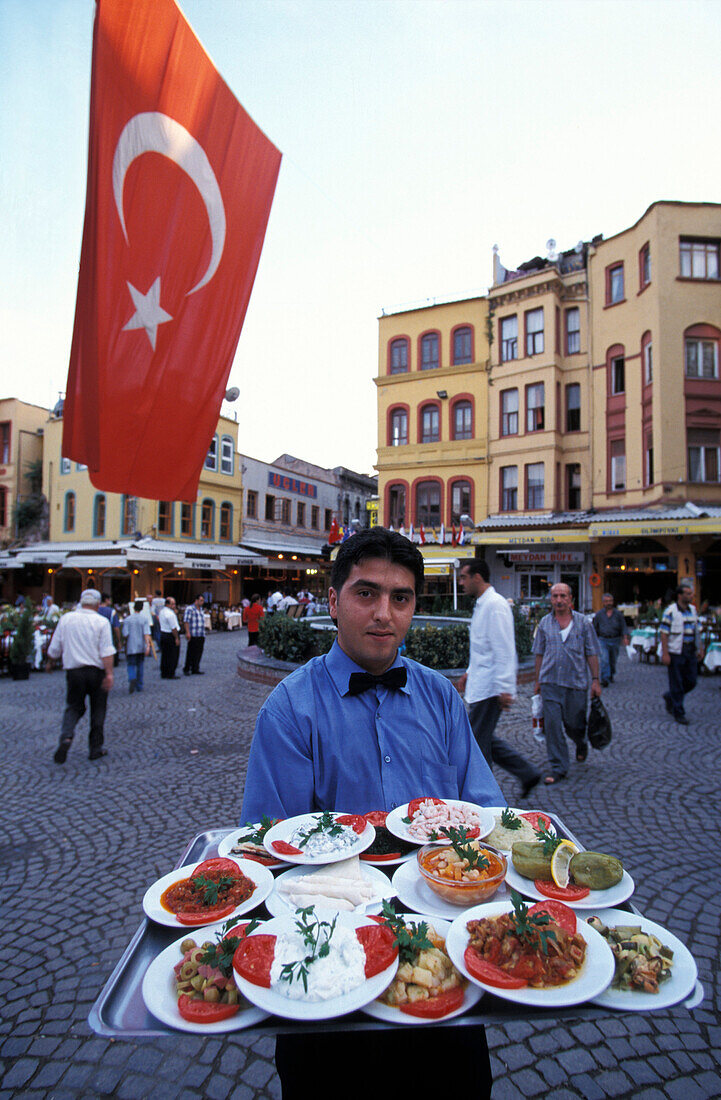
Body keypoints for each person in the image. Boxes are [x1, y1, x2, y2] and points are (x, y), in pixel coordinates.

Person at [242, 528, 502, 1100]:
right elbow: (268, 849)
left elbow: (484, 813)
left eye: (401, 597)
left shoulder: (440, 698)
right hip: (328, 966)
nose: (384, 613)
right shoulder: (289, 709)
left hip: (439, 959)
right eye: (366, 593)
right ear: (332, 601)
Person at [457, 560, 540, 799]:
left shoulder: (495, 605)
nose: (461, 582)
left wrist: (505, 688)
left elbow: (504, 649)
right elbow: (484, 646)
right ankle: (527, 773)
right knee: (482, 739)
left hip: (491, 688)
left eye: (464, 577)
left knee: (477, 746)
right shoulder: (483, 604)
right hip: (482, 683)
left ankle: (483, 799)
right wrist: (469, 672)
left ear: (478, 577)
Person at [532, 582, 602, 785]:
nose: (559, 600)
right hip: (550, 683)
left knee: (575, 724)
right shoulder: (544, 623)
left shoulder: (584, 623)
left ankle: (581, 742)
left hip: (576, 683)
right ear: (551, 599)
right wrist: (537, 680)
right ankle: (558, 766)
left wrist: (595, 680)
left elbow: (592, 652)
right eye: (555, 596)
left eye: (563, 596)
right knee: (553, 726)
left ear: (571, 599)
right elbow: (538, 654)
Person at [46, 588, 115, 763]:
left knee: (74, 706)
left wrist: (50, 662)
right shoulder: (101, 622)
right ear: (98, 605)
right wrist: (109, 674)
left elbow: (55, 647)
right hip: (96, 672)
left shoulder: (66, 619)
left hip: (74, 672)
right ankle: (95, 748)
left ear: (81, 602)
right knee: (98, 709)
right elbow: (106, 651)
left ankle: (67, 736)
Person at [660, 583, 704, 725]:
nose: (691, 596)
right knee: (677, 682)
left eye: (691, 593)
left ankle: (670, 696)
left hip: (690, 650)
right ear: (680, 595)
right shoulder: (670, 611)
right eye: (688, 593)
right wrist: (665, 653)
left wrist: (700, 648)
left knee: (692, 681)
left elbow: (698, 631)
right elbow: (664, 633)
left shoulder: (692, 610)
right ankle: (679, 712)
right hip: (676, 651)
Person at [593, 593, 629, 686]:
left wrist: (625, 637)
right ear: (603, 603)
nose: (608, 603)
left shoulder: (618, 614)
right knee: (604, 659)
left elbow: (623, 626)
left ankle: (611, 674)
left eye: (610, 601)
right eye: (606, 601)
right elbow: (594, 628)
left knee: (612, 660)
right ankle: (604, 678)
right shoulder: (599, 615)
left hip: (615, 639)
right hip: (603, 639)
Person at [122, 599, 151, 693]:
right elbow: (146, 633)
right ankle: (139, 685)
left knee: (131, 664)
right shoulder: (144, 619)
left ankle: (132, 677)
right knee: (140, 665)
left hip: (131, 645)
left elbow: (125, 634)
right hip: (141, 645)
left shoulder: (128, 620)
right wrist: (148, 646)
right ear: (142, 608)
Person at [183, 593, 206, 675]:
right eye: (201, 600)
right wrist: (187, 632)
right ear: (196, 600)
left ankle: (195, 668)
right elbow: (186, 621)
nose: (202, 602)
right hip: (193, 634)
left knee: (199, 652)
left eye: (203, 601)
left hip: (201, 634)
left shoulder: (201, 610)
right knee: (191, 652)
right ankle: (187, 668)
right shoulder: (190, 609)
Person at [159, 596, 181, 679]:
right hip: (170, 635)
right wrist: (176, 638)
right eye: (172, 604)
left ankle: (164, 672)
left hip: (164, 633)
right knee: (173, 655)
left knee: (165, 655)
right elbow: (173, 628)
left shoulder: (162, 612)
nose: (174, 605)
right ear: (167, 604)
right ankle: (171, 672)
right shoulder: (170, 614)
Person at [98, 593, 122, 666]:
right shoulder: (112, 612)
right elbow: (116, 628)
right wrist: (119, 640)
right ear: (106, 600)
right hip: (109, 637)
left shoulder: (95, 610)